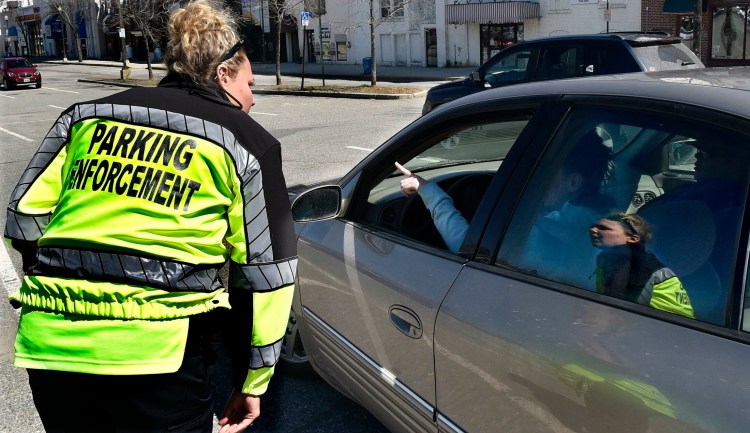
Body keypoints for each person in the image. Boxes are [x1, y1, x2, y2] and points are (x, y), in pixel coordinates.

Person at [3, 1, 296, 432]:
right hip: (156, 360)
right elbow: (271, 274)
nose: (253, 99)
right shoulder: (246, 142)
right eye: (251, 84)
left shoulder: (84, 116)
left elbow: (22, 216)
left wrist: (71, 268)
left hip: (52, 348)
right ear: (223, 74)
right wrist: (253, 383)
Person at [398, 130, 612, 289]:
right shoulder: (597, 220)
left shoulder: (546, 229)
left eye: (546, 173)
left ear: (573, 182)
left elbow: (465, 247)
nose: (537, 181)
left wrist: (426, 189)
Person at [589, 213, 694, 318]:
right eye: (593, 226)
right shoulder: (627, 257)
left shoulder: (628, 257)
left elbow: (614, 307)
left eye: (603, 228)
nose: (592, 230)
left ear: (633, 238)